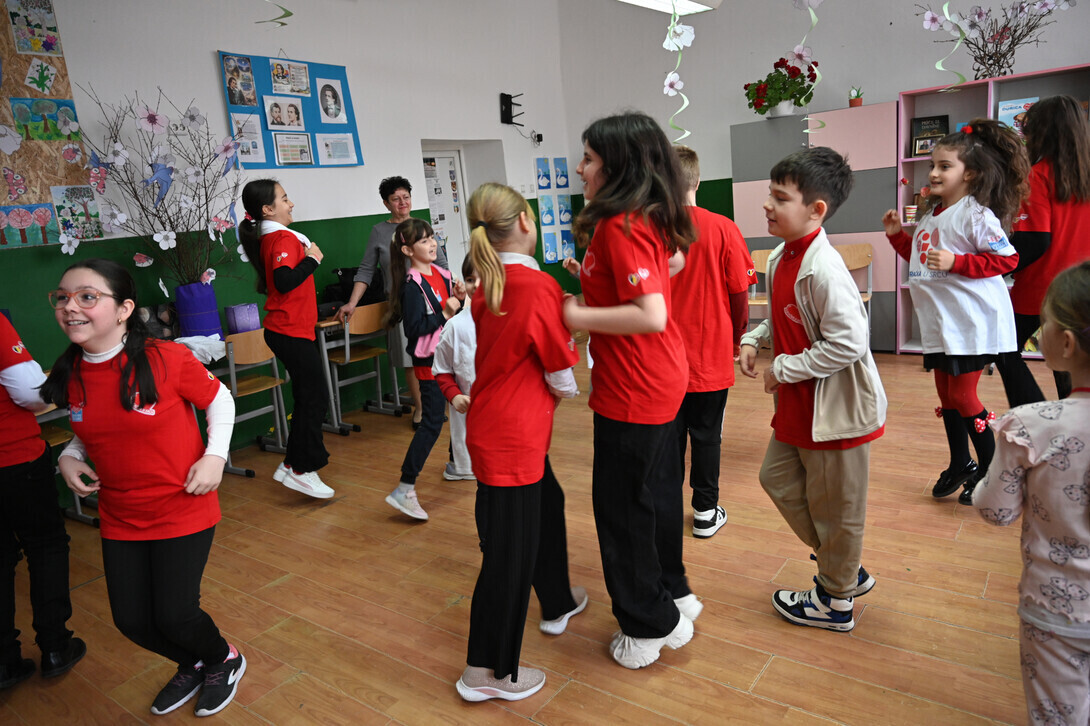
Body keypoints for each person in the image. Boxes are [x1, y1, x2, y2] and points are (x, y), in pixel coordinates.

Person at [40, 259, 245, 717]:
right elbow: (91, 428)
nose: (70, 307)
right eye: (62, 297)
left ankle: (222, 658)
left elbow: (220, 399)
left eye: (87, 297)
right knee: (131, 621)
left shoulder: (166, 358)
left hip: (182, 506)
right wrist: (69, 455)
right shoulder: (71, 372)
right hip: (120, 515)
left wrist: (215, 455)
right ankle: (193, 662)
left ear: (124, 309)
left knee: (176, 614)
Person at [562, 111, 699, 669]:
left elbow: (650, 314)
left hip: (636, 387)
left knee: (621, 510)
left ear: (617, 166)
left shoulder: (621, 225)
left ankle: (649, 623)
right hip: (656, 378)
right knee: (653, 495)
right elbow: (674, 261)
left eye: (589, 159)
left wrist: (576, 313)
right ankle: (673, 594)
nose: (580, 168)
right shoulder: (642, 219)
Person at [740, 147, 886, 633]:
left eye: (780, 198)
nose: (768, 205)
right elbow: (788, 317)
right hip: (800, 404)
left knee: (836, 509)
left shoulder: (824, 268)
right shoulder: (781, 256)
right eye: (770, 194)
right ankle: (842, 566)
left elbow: (849, 342)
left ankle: (835, 601)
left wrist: (784, 369)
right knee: (777, 478)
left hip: (835, 410)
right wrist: (755, 337)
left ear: (816, 210)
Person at [456, 182, 583, 701]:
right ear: (527, 222)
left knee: (548, 505)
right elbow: (559, 371)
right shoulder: (534, 286)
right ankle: (485, 672)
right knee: (508, 558)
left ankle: (557, 600)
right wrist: (567, 388)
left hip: (498, 427)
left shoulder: (492, 282)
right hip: (513, 437)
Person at [883, 119, 1029, 505]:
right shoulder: (931, 215)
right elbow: (922, 258)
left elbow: (1008, 259)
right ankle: (961, 462)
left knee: (964, 396)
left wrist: (958, 262)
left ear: (971, 174)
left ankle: (994, 472)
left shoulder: (975, 214)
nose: (933, 173)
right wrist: (897, 236)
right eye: (932, 165)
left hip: (971, 324)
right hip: (942, 324)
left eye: (944, 166)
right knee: (947, 395)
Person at [972, 260, 1090, 726]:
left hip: (1057, 613)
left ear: (1066, 343)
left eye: (1045, 322)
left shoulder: (1030, 425)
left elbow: (996, 511)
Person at [671, 145, 755, 539]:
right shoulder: (723, 228)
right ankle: (705, 511)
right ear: (698, 181)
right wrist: (737, 339)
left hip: (659, 361)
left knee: (667, 438)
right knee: (706, 435)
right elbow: (740, 294)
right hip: (709, 355)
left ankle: (666, 510)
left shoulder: (646, 231)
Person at [1, 314, 84, 690]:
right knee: (46, 546)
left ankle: (4, 662)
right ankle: (55, 647)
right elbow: (30, 392)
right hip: (14, 457)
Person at [239, 179, 334, 499]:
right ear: (268, 209)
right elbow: (283, 280)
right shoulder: (281, 238)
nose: (291, 203)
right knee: (314, 399)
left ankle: (293, 463)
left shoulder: (278, 236)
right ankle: (303, 470)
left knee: (310, 397)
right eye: (284, 198)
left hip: (293, 330)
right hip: (288, 330)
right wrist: (313, 259)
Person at [996, 95, 1090, 406]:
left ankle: (1033, 415)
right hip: (1082, 286)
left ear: (1041, 133)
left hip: (1042, 287)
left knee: (1004, 348)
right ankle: (1072, 419)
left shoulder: (1038, 175)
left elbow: (1035, 242)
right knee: (1073, 361)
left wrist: (994, 267)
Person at [336, 177, 449, 428]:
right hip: (401, 303)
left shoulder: (422, 226)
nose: (402, 202)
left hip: (432, 300)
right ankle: (421, 409)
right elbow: (366, 270)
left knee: (438, 354)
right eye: (396, 199)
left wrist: (451, 297)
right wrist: (352, 303)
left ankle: (438, 402)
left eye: (406, 197)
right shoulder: (379, 232)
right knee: (412, 359)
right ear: (386, 204)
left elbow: (441, 265)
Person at [384, 218, 465, 520]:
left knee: (462, 410)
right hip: (429, 362)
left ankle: (459, 464)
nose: (432, 244)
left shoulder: (444, 274)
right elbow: (416, 329)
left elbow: (455, 312)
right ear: (407, 250)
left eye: (432, 237)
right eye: (423, 240)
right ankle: (405, 488)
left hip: (452, 355)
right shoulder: (411, 286)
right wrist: (445, 311)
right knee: (432, 422)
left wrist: (460, 299)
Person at [432, 256, 478, 481]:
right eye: (470, 279)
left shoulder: (513, 320)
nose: (476, 285)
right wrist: (454, 395)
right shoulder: (455, 327)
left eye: (484, 277)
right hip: (470, 428)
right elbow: (441, 370)